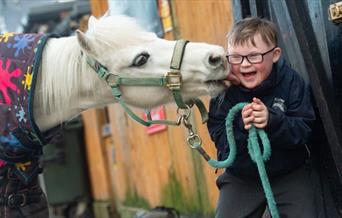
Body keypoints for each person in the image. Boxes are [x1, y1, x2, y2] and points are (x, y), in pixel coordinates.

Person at [207, 17, 316, 218]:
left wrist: (273, 121)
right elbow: (220, 138)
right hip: (241, 177)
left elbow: (304, 130)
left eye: (254, 56)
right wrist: (239, 126)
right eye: (236, 58)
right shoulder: (224, 92)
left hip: (289, 173)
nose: (245, 65)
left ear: (274, 55)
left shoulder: (291, 82)